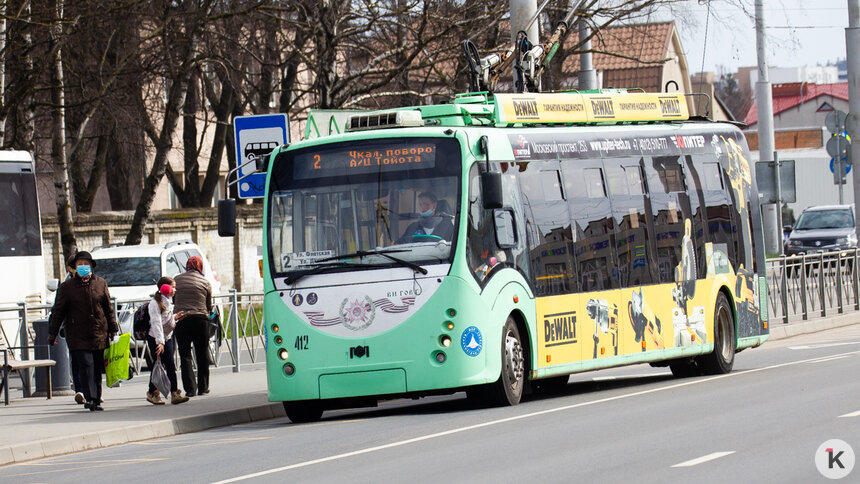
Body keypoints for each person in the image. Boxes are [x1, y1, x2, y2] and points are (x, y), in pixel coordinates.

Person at [48, 251, 118, 411]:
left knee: (96, 366)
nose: (83, 267)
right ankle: (90, 397)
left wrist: (113, 326)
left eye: (86, 264)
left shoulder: (100, 283)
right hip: (77, 333)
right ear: (74, 268)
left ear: (91, 266)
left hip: (98, 332)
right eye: (80, 265)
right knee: (86, 365)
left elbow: (108, 308)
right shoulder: (67, 287)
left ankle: (96, 397)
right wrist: (53, 332)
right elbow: (59, 311)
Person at [145, 277, 189, 405]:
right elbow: (156, 323)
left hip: (167, 337)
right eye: (173, 287)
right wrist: (160, 342)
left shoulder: (167, 301)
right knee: (160, 365)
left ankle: (168, 392)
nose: (175, 289)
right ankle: (157, 392)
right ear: (165, 288)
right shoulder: (154, 303)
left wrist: (175, 317)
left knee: (167, 364)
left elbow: (165, 320)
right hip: (156, 338)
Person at [173, 256, 213, 397]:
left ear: (187, 266)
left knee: (185, 355)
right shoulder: (205, 282)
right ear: (200, 267)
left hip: (182, 320)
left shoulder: (176, 280)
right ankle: (203, 387)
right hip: (200, 321)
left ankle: (190, 389)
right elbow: (208, 306)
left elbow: (173, 298)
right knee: (202, 354)